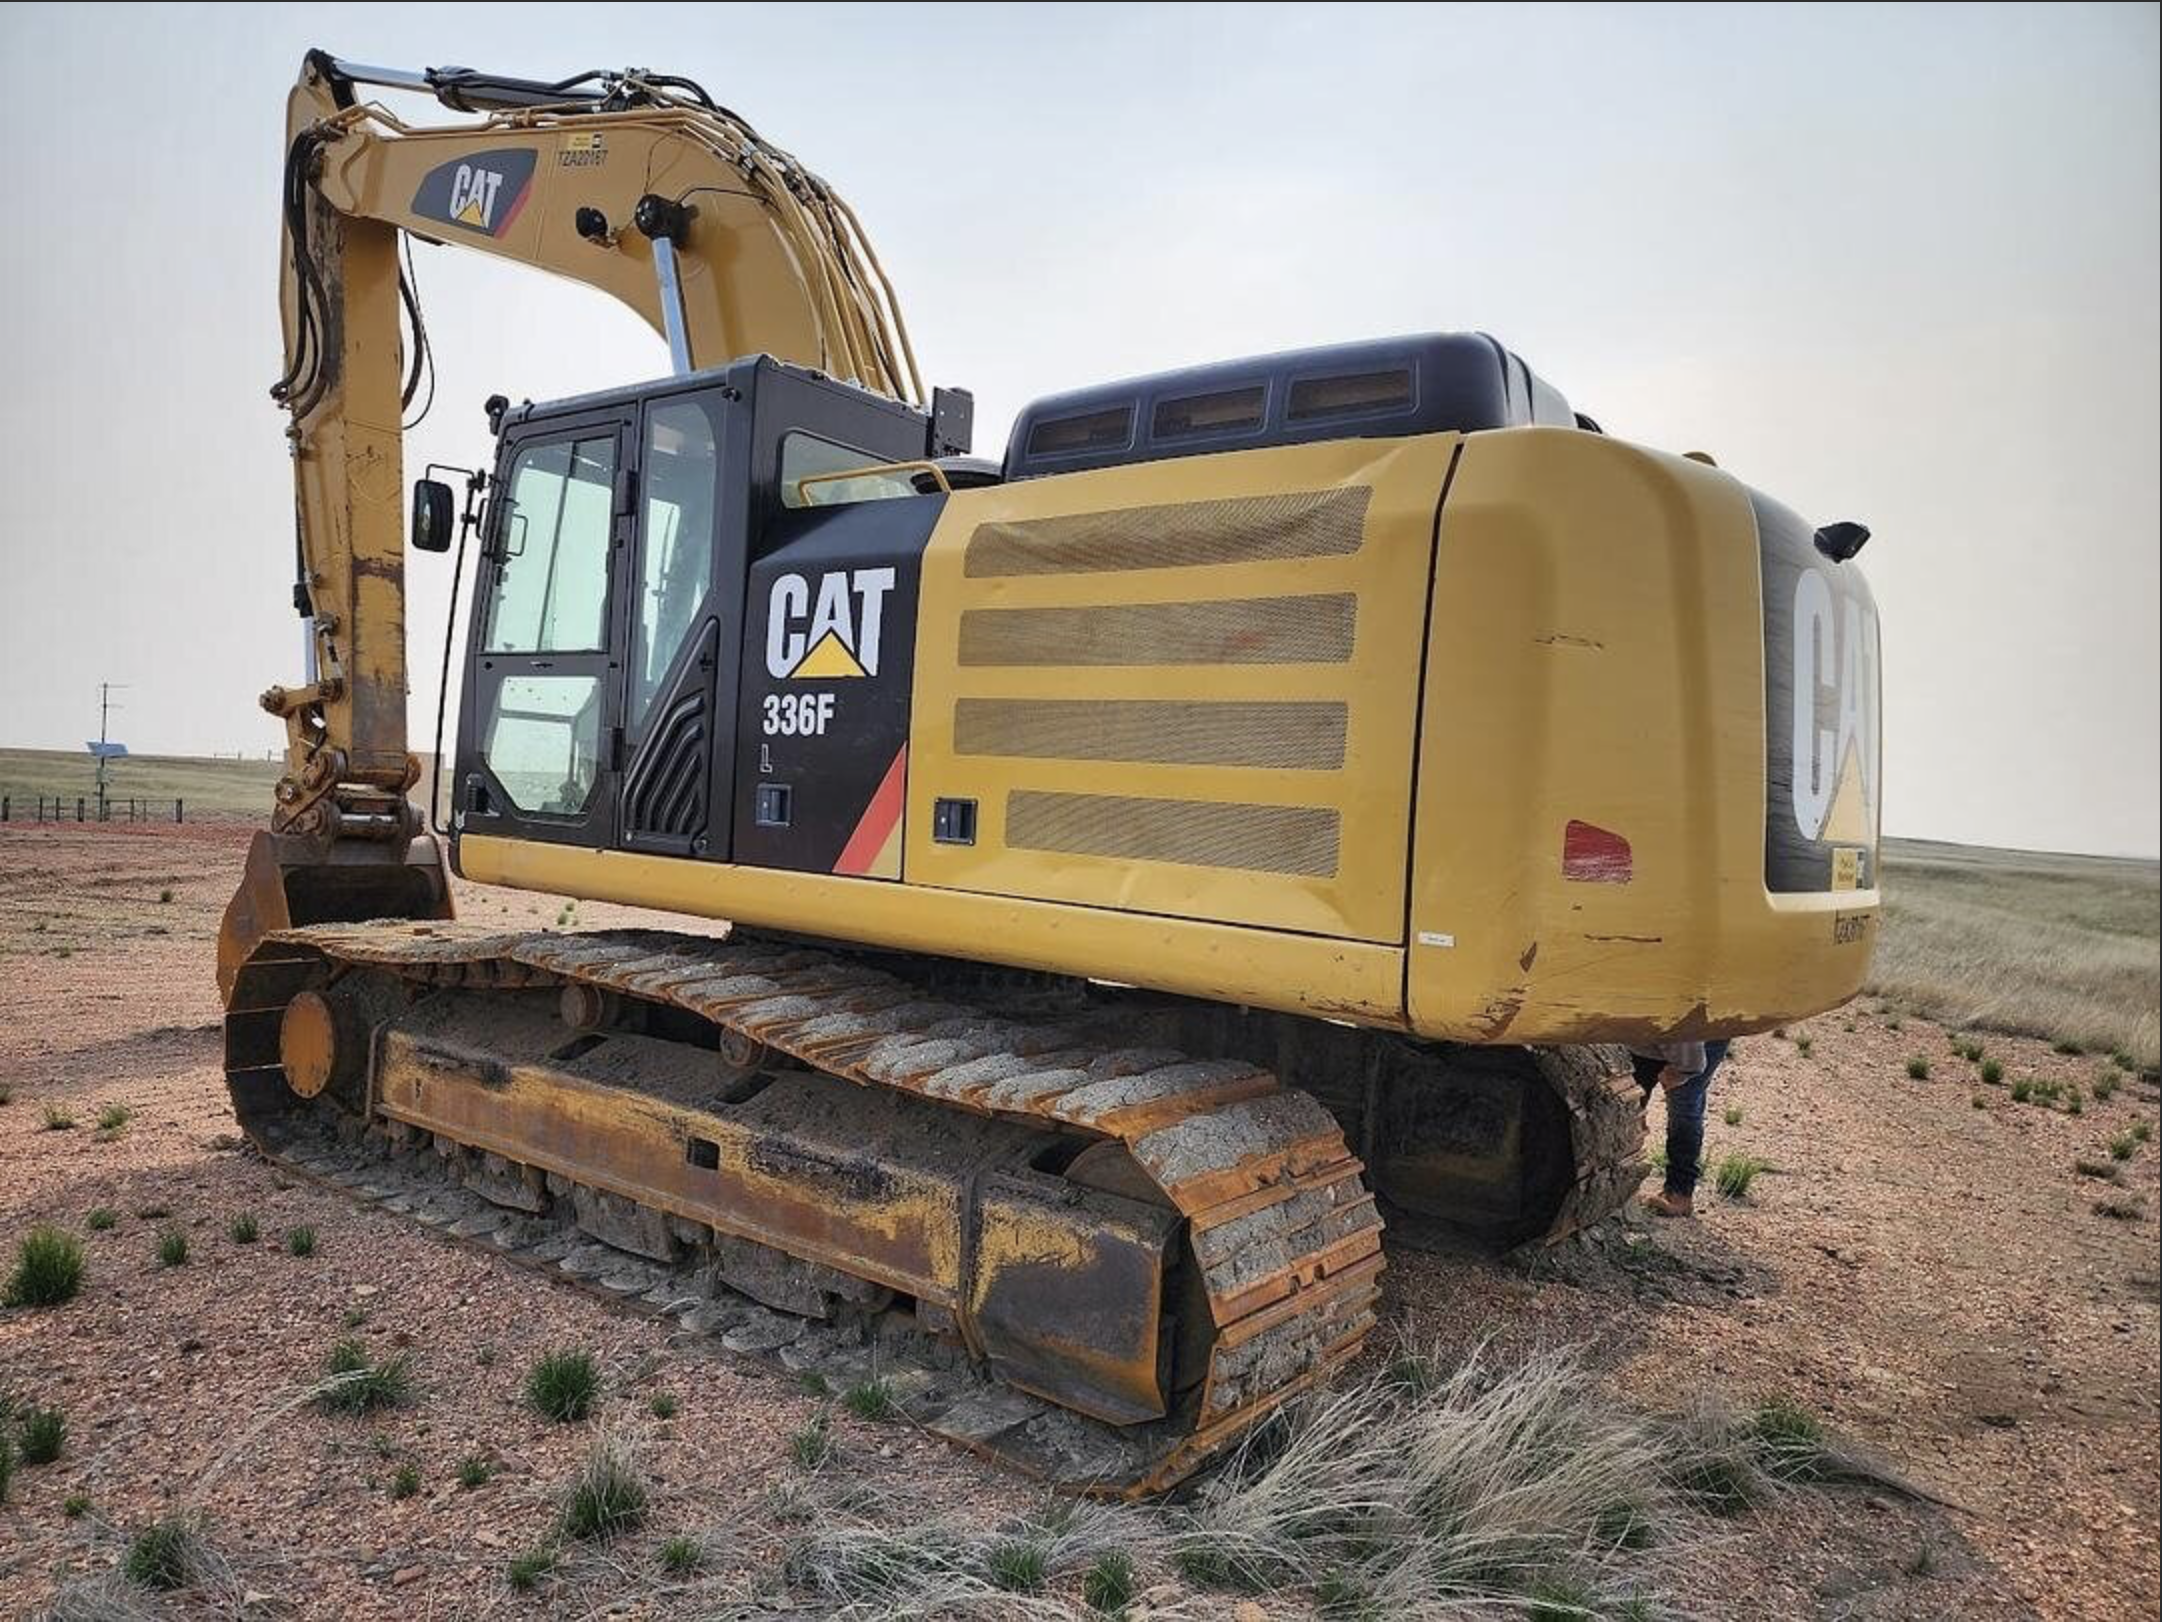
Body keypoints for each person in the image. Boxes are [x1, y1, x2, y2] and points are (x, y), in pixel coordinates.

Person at [1629, 1039, 1732, 1217]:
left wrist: (1683, 1071)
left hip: (1697, 1036)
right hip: (1649, 1037)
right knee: (1629, 1104)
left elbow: (1689, 1040)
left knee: (1684, 1106)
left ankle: (1679, 1194)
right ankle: (1622, 1185)